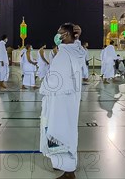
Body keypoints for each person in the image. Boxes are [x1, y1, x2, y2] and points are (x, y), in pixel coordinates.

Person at [39, 23, 86, 179]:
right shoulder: (75, 52)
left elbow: (54, 81)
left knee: (58, 132)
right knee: (67, 132)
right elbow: (77, 47)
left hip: (60, 103)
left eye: (59, 33)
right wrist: (77, 37)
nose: (57, 35)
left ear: (66, 35)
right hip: (69, 102)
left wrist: (44, 85)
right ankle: (65, 166)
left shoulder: (64, 55)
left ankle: (68, 171)